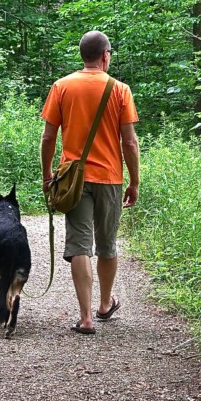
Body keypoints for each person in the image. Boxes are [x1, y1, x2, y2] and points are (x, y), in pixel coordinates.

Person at [40, 30, 140, 334]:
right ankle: (105, 303)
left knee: (79, 244)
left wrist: (47, 176)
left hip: (73, 179)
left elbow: (47, 137)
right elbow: (130, 143)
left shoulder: (62, 86)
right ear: (105, 55)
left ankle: (84, 317)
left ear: (83, 55)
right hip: (110, 177)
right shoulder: (120, 90)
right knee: (107, 243)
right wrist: (134, 181)